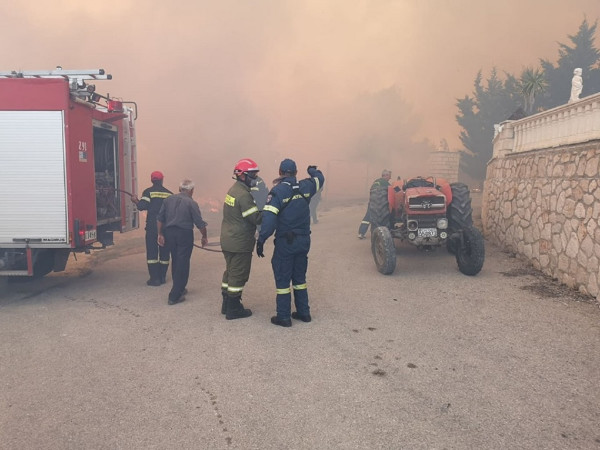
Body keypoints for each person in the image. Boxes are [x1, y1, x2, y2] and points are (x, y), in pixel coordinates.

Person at [256, 159, 325, 327]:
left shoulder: (277, 192)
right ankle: (304, 313)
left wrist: (261, 239)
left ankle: (284, 317)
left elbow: (269, 219)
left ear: (280, 172)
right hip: (303, 241)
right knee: (300, 278)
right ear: (295, 172)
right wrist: (312, 170)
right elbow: (320, 179)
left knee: (283, 279)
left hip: (286, 243)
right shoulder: (306, 186)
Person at [220, 159, 263, 320]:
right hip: (240, 242)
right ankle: (234, 309)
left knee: (230, 272)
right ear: (242, 175)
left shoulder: (232, 191)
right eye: (253, 174)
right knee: (238, 275)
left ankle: (226, 304)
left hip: (228, 239)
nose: (255, 178)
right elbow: (255, 218)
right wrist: (269, 209)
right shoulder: (244, 195)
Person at [157, 179, 208, 305]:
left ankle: (180, 287)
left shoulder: (168, 200)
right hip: (184, 234)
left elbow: (160, 218)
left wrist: (160, 234)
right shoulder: (191, 203)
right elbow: (199, 223)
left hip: (169, 233)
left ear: (180, 189)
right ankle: (175, 295)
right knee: (183, 262)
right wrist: (204, 236)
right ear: (191, 190)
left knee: (175, 259)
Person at [131, 171, 173, 286]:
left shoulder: (148, 192)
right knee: (164, 253)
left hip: (152, 227)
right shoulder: (169, 194)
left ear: (152, 180)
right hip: (166, 227)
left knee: (152, 253)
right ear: (162, 180)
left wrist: (135, 201)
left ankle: (155, 279)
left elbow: (142, 206)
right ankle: (163, 277)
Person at [357, 169, 392, 239]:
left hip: (372, 202)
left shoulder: (376, 182)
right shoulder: (384, 182)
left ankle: (361, 233)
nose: (390, 178)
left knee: (367, 217)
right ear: (386, 175)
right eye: (389, 176)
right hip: (378, 203)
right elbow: (392, 190)